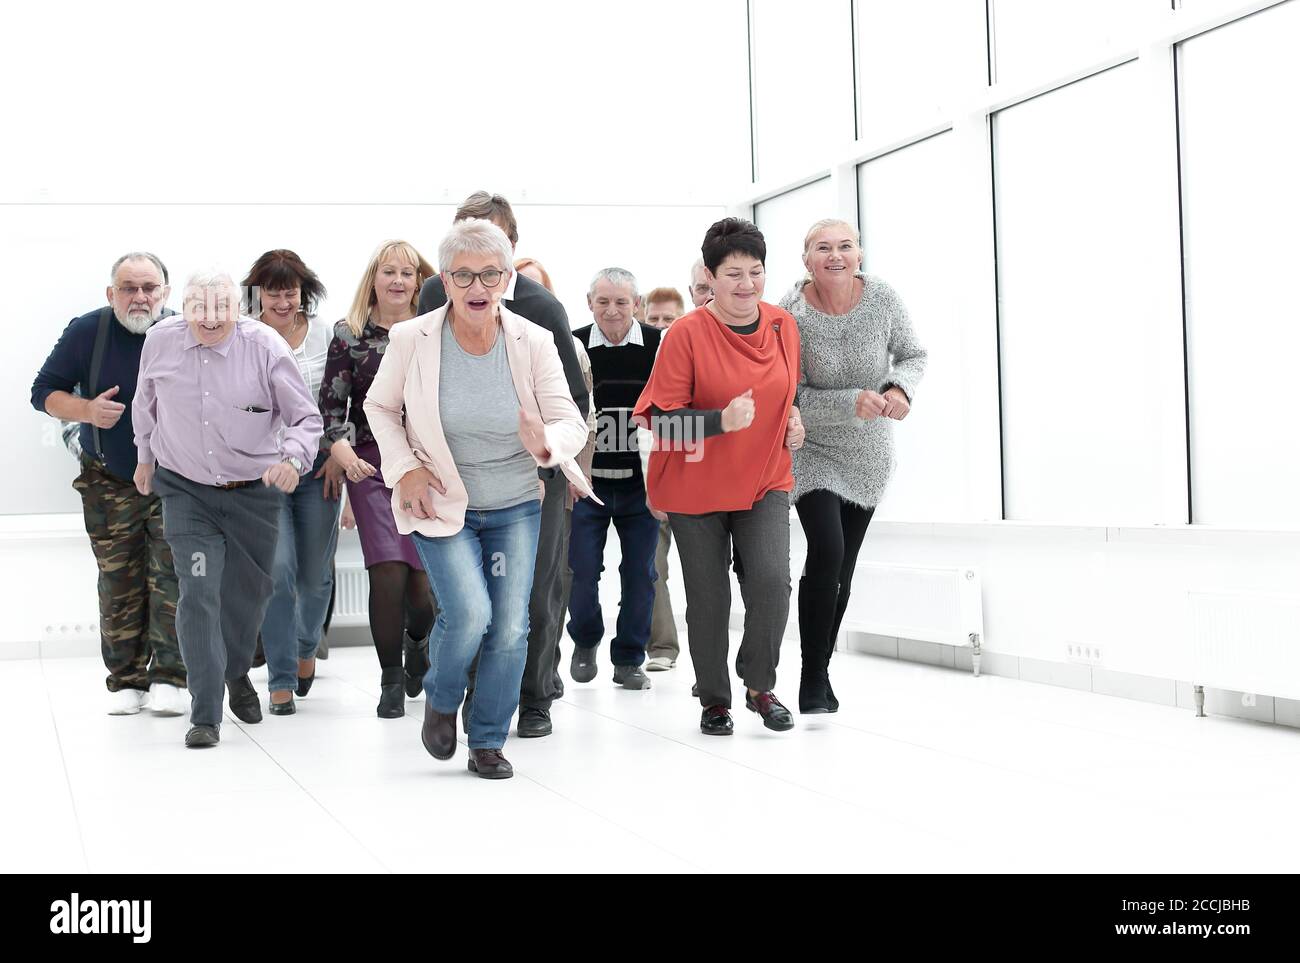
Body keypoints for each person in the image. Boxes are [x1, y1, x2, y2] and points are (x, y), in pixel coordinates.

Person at [365, 219, 593, 779]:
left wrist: (549, 443)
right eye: (464, 274)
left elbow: (570, 419)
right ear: (444, 279)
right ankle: (442, 700)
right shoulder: (412, 339)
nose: (477, 286)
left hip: (515, 501)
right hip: (442, 503)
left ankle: (487, 739)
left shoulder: (532, 341)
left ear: (506, 278)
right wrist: (405, 469)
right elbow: (379, 409)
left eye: (490, 274)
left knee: (512, 625)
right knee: (469, 614)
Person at [418, 192, 588, 739]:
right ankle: (469, 697)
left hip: (529, 482)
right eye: (465, 243)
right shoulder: (430, 297)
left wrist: (545, 460)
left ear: (511, 249)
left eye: (491, 243)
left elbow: (574, 406)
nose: (477, 261)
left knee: (534, 595)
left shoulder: (542, 310)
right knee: (468, 604)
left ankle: (534, 697)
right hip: (455, 480)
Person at [133, 270, 323, 748]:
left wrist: (294, 460)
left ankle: (236, 671)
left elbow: (304, 418)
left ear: (238, 310)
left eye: (221, 310)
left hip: (253, 492)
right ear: (186, 307)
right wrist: (144, 458)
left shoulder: (265, 347)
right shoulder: (160, 340)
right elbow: (145, 403)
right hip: (186, 489)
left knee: (247, 596)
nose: (210, 320)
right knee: (198, 593)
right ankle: (205, 713)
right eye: (200, 310)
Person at [634, 218, 805, 736]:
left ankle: (759, 686)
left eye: (756, 272)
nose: (747, 284)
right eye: (734, 274)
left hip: (764, 478)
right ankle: (714, 699)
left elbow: (786, 393)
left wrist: (794, 419)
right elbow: (658, 421)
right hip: (696, 487)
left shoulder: (781, 326)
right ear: (710, 276)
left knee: (773, 583)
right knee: (709, 599)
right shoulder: (686, 334)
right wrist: (718, 422)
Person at [779, 219, 926, 713]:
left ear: (860, 254)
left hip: (868, 451)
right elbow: (788, 392)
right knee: (827, 546)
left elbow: (912, 354)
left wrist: (898, 389)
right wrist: (848, 402)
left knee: (843, 566)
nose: (835, 255)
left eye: (845, 246)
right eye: (823, 248)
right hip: (812, 447)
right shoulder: (789, 312)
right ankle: (809, 675)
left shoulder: (883, 299)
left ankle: (821, 667)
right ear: (806, 260)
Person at [31, 253, 186, 717]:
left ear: (165, 293)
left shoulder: (184, 332)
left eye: (149, 288)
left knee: (172, 578)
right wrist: (86, 411)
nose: (139, 297)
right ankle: (126, 681)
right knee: (119, 580)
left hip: (174, 481)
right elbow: (43, 392)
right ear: (111, 293)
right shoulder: (87, 331)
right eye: (128, 287)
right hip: (108, 481)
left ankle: (171, 679)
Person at [319, 240, 438, 718]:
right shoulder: (348, 335)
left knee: (423, 586)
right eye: (387, 272)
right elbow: (332, 409)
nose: (397, 281)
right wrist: (344, 455)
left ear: (419, 282)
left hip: (429, 467)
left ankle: (418, 643)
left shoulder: (436, 331)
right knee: (387, 573)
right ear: (374, 279)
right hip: (369, 466)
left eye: (406, 273)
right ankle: (390, 678)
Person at [243, 250, 340, 715]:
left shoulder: (327, 333)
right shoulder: (242, 336)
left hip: (319, 468)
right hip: (265, 471)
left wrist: (340, 454)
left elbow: (345, 401)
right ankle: (280, 679)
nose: (283, 302)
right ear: (257, 293)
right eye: (273, 292)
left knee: (315, 578)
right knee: (277, 575)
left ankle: (305, 649)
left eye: (291, 291)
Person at [567, 269, 661, 690]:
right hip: (588, 483)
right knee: (582, 570)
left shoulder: (659, 345)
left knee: (641, 573)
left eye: (621, 302)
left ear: (636, 305)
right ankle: (585, 639)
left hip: (641, 484)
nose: (612, 310)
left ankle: (628, 658)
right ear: (589, 303)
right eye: (603, 301)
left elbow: (673, 410)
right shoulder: (571, 344)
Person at [639, 286, 686, 671]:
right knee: (654, 566)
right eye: (653, 319)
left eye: (667, 319)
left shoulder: (684, 352)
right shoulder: (646, 362)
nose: (659, 326)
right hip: (650, 479)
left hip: (690, 480)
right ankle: (662, 647)